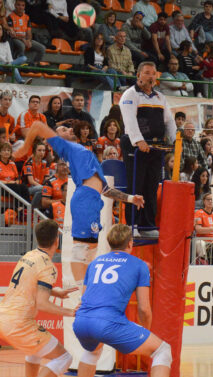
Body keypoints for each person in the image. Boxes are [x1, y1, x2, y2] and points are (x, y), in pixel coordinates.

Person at [13, 121, 144, 294]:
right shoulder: (65, 146)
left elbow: (105, 189)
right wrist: (25, 148)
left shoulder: (82, 152)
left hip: (94, 201)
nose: (68, 130)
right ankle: (85, 297)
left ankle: (87, 294)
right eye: (62, 129)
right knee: (80, 250)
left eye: (68, 128)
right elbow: (37, 125)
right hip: (84, 200)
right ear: (55, 137)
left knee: (91, 251)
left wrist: (130, 198)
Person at [73, 223, 172, 377]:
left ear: (110, 243)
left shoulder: (95, 263)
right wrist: (146, 331)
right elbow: (143, 308)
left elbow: (84, 299)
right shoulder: (139, 265)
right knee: (162, 351)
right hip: (107, 322)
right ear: (130, 244)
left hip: (81, 321)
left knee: (92, 351)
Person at [0, 219, 77, 377]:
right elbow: (42, 304)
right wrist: (70, 312)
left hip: (4, 316)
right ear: (57, 240)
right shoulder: (48, 266)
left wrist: (55, 292)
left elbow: (28, 284)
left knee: (34, 352)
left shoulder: (28, 255)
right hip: (19, 322)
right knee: (64, 359)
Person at [119, 61, 176, 238]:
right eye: (147, 73)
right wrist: (138, 140)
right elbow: (129, 120)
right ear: (138, 75)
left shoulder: (160, 97)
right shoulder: (130, 94)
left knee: (152, 186)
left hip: (156, 146)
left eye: (153, 73)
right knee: (136, 184)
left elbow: (169, 121)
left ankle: (148, 224)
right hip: (135, 146)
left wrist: (174, 141)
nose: (151, 77)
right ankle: (132, 224)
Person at [7, 0, 45, 66]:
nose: (20, 7)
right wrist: (23, 40)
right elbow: (12, 34)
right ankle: (19, 65)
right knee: (22, 46)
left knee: (42, 48)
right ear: (15, 6)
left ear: (24, 7)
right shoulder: (10, 17)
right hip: (15, 38)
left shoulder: (27, 17)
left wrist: (29, 40)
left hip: (25, 39)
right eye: (18, 5)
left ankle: (34, 65)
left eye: (23, 5)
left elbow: (29, 32)